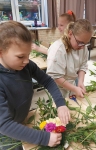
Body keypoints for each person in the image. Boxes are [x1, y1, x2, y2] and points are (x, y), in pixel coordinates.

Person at [0, 21, 70, 150]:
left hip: (23, 119)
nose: (26, 61)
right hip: (5, 131)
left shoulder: (27, 65)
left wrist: (60, 104)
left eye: (28, 55)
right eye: (21, 56)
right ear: (1, 52)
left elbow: (48, 81)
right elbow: (4, 125)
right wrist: (45, 138)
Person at [46, 19, 93, 98]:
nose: (82, 47)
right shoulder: (58, 49)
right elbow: (55, 76)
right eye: (80, 42)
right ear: (70, 33)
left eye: (86, 43)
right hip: (58, 88)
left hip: (72, 86)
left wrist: (80, 82)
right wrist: (74, 88)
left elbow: (83, 66)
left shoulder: (83, 47)